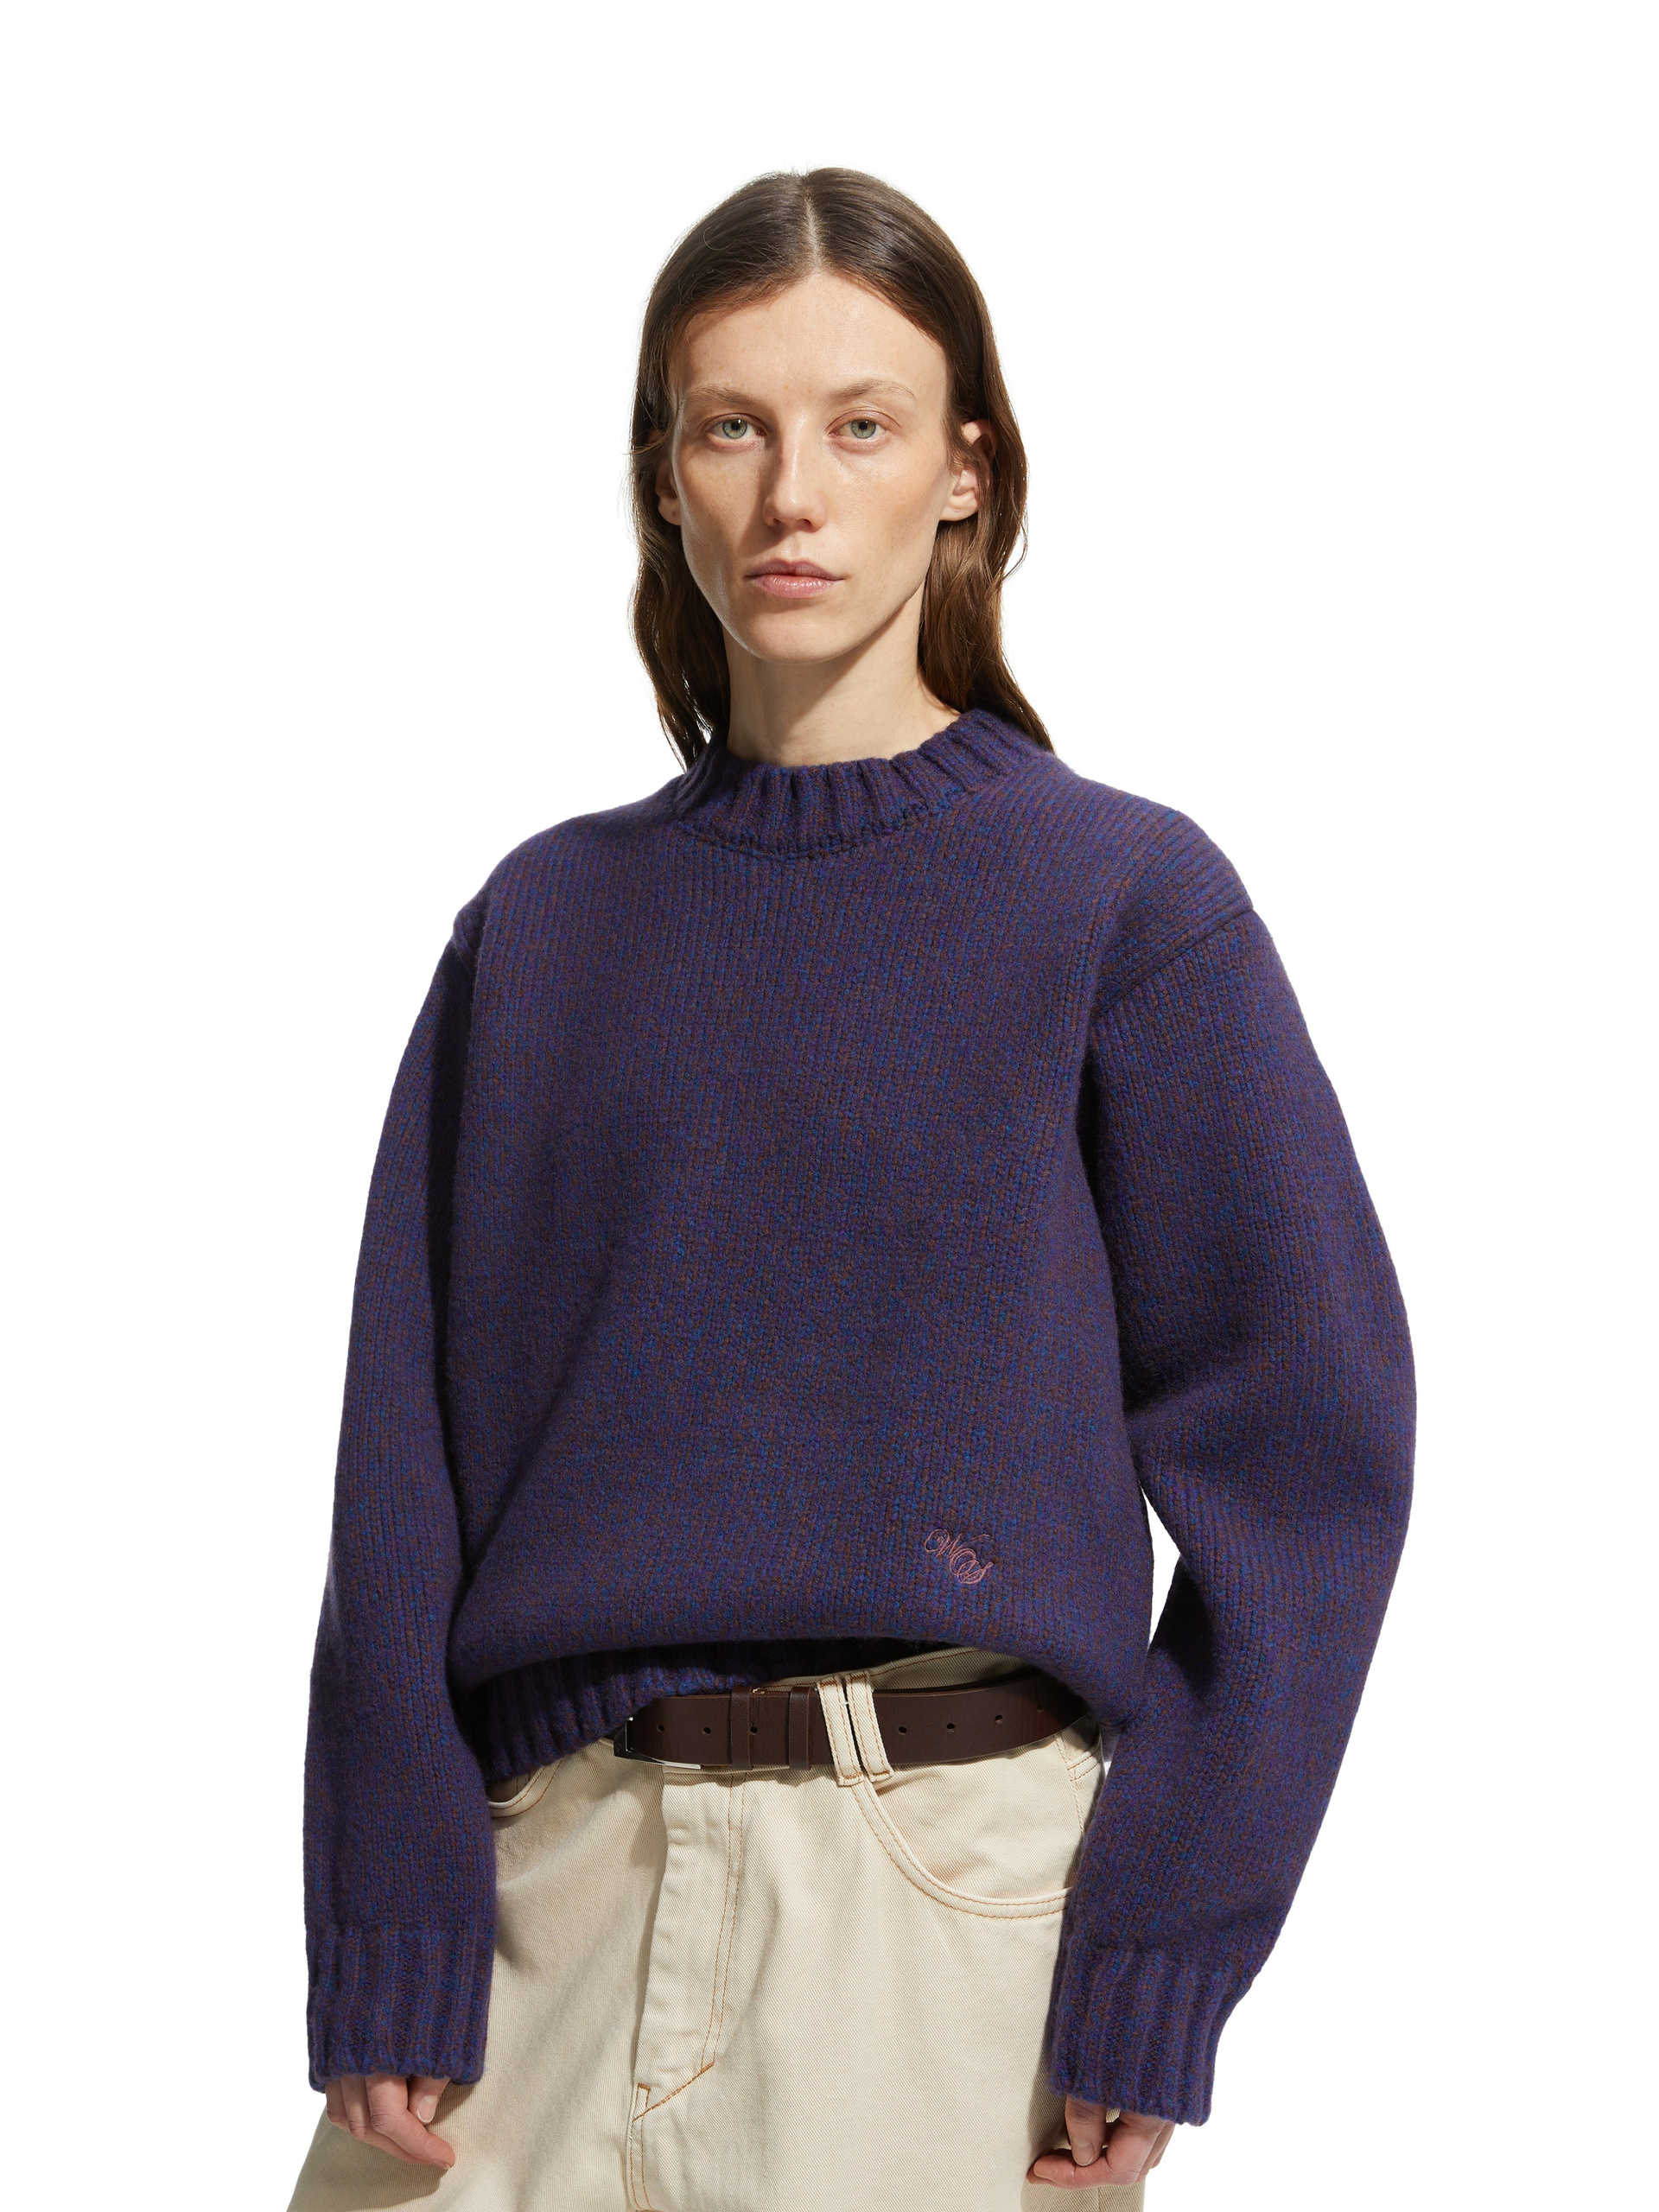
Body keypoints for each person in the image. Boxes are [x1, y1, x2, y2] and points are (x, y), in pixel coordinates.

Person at [286, 167, 1415, 2212]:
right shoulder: (542, 928)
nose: (791, 493)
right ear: (666, 477)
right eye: (732, 426)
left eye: (861, 424)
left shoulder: (1119, 904)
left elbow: (1310, 1458)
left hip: (943, 1904)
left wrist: (1158, 1953)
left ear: (966, 471)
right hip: (545, 1897)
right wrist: (389, 1915)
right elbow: (402, 1473)